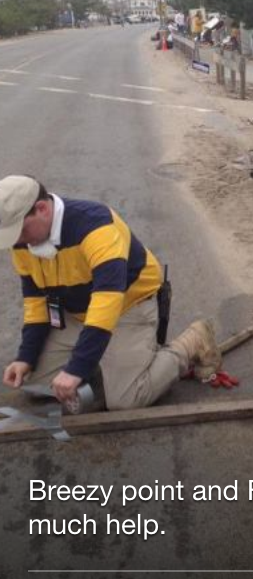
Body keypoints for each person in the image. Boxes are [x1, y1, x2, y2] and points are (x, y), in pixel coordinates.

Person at [0, 176, 221, 412]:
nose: (18, 242)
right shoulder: (24, 243)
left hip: (126, 310)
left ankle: (192, 342)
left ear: (41, 209)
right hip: (79, 316)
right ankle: (106, 360)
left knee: (127, 399)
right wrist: (26, 357)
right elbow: (36, 304)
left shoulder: (96, 226)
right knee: (32, 383)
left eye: (21, 231)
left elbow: (106, 305)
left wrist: (76, 369)